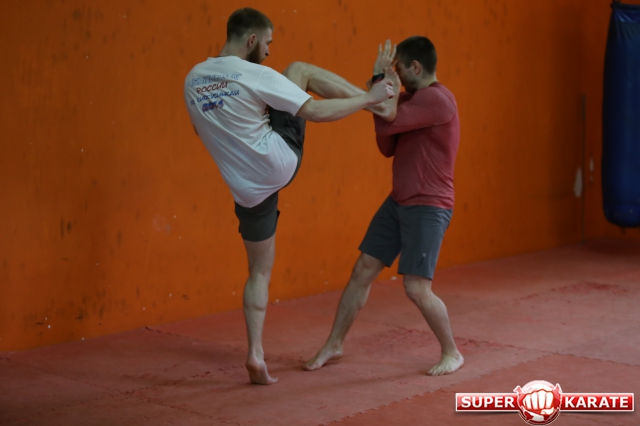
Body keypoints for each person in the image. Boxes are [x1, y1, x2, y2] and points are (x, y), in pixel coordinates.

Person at [183, 8, 395, 385]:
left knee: (258, 271)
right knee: (299, 70)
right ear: (251, 40)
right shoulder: (257, 74)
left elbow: (204, 131)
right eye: (266, 43)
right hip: (279, 162)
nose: (268, 52)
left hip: (246, 190)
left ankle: (255, 353)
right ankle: (383, 104)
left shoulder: (193, 79)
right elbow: (315, 111)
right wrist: (367, 97)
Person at [304, 37, 464, 376]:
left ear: (416, 67)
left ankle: (452, 352)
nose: (397, 75)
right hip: (399, 201)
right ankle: (335, 344)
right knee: (363, 269)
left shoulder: (437, 99)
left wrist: (379, 84)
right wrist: (378, 95)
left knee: (416, 288)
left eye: (399, 69)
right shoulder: (410, 100)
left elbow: (385, 114)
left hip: (428, 205)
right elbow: (387, 146)